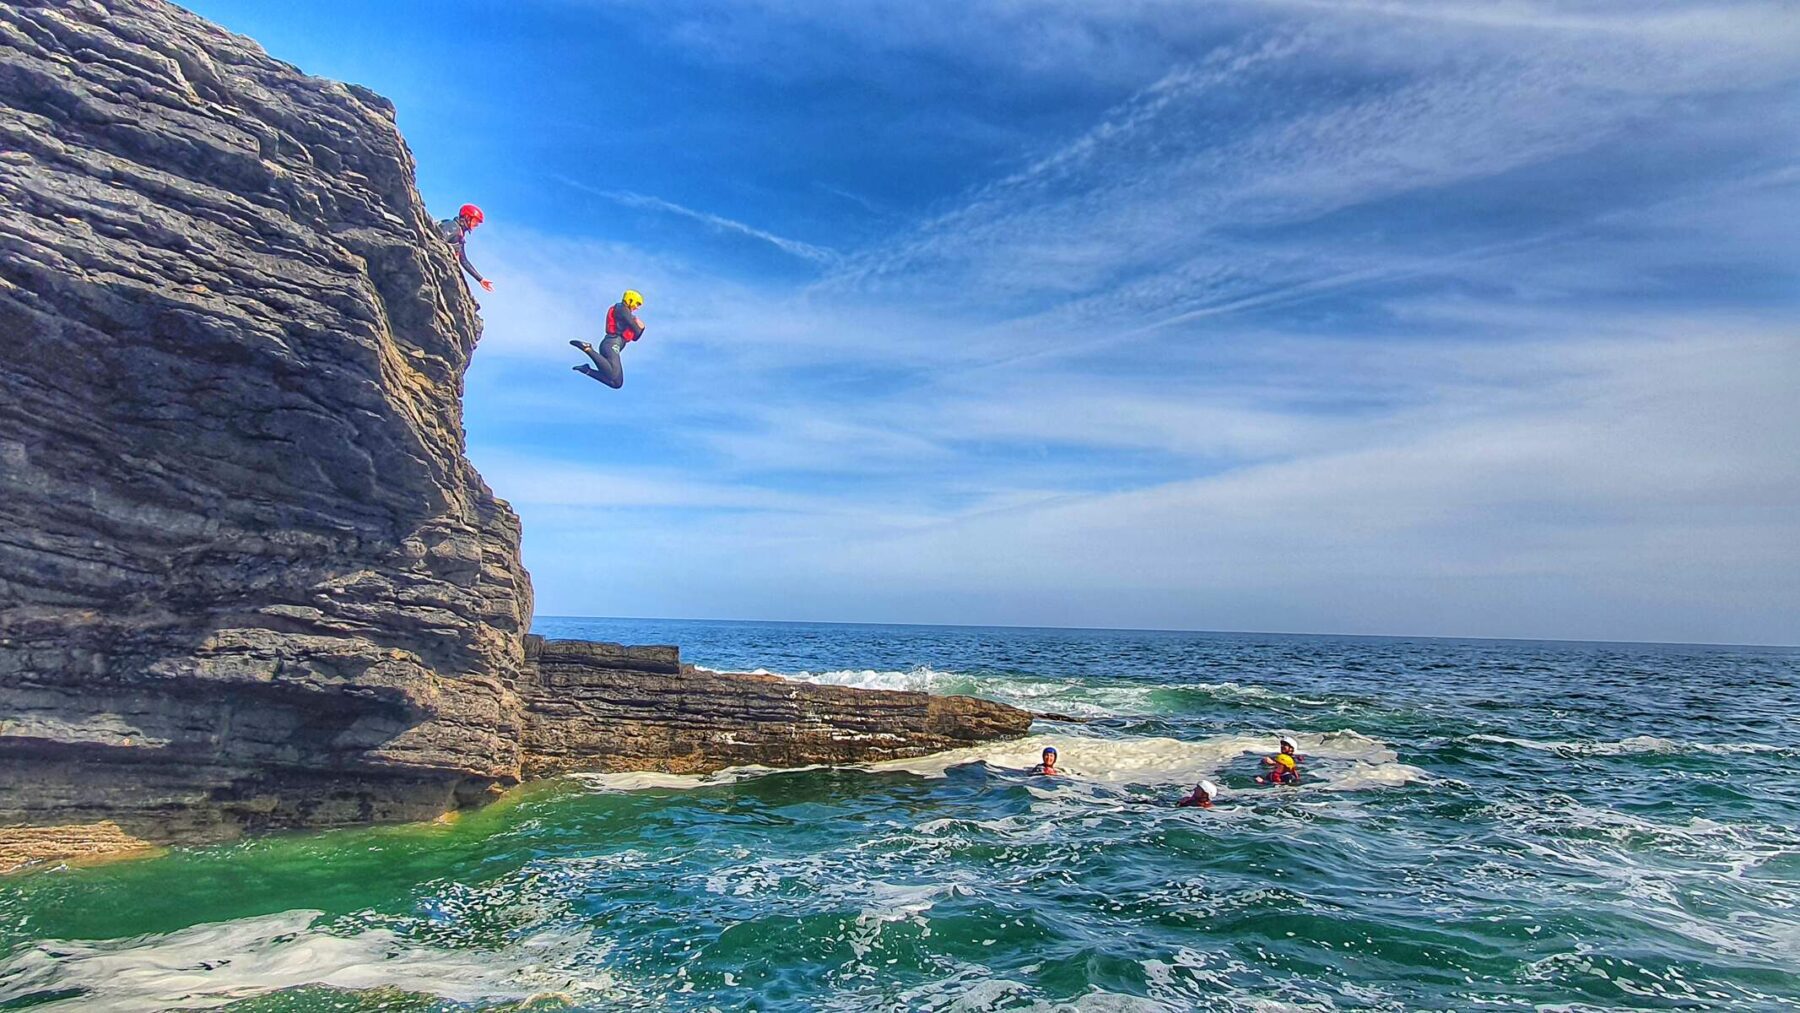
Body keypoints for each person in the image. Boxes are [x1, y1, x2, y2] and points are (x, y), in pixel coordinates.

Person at [570, 289, 646, 389]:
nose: (637, 307)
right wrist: (641, 327)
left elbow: (636, 337)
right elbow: (636, 329)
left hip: (615, 345)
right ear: (630, 299)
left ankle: (587, 370)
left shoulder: (627, 313)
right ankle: (588, 349)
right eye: (637, 303)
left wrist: (641, 328)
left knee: (616, 383)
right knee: (613, 374)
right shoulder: (621, 309)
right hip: (611, 343)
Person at [437, 204, 492, 293]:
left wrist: (480, 279)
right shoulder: (452, 226)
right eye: (475, 221)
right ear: (467, 217)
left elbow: (464, 261)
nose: (477, 225)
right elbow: (437, 241)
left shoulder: (460, 236)